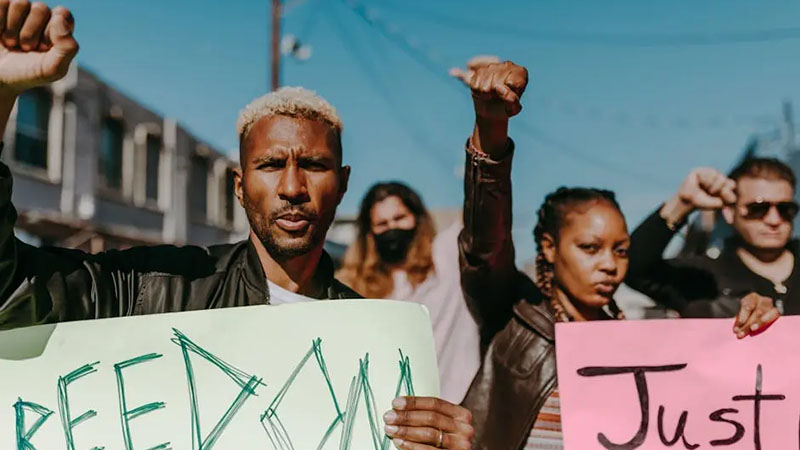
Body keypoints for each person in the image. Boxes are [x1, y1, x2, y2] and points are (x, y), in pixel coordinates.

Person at [0, 2, 473, 449]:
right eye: (270, 165)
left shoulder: (374, 341)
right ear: (240, 186)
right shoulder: (156, 287)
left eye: (312, 164)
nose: (292, 186)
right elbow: (13, 293)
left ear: (343, 183)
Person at [449, 56, 781, 450]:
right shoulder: (514, 314)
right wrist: (491, 127)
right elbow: (487, 239)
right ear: (550, 249)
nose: (609, 264)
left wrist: (755, 324)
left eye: (621, 251)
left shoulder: (640, 346)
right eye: (590, 248)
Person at [337, 182, 481, 404]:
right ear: (369, 233)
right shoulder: (357, 287)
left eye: (400, 218)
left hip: (458, 408)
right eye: (382, 224)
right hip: (395, 418)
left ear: (417, 218)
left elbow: (480, 208)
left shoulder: (446, 258)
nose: (392, 228)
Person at [626, 159, 800, 318]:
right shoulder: (703, 278)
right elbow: (633, 267)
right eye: (758, 208)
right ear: (730, 212)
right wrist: (682, 204)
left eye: (785, 209)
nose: (774, 220)